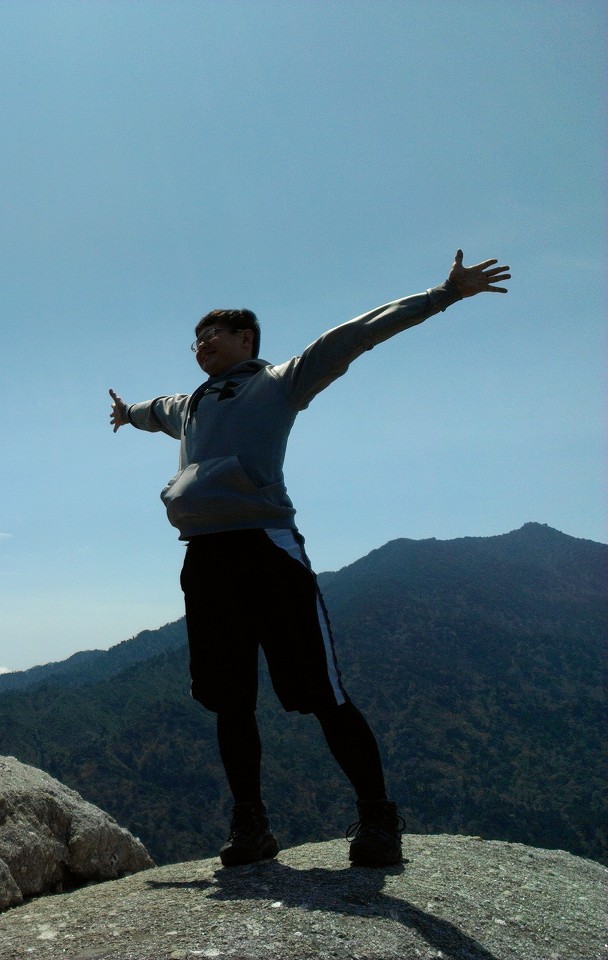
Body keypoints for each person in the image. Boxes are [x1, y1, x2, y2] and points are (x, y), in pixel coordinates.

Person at [108, 250, 511, 868]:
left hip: (267, 553)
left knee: (323, 695)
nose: (201, 344)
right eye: (195, 338)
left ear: (247, 338)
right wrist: (125, 413)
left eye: (213, 333)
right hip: (205, 561)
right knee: (229, 702)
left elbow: (357, 335)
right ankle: (251, 825)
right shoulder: (188, 406)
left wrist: (444, 294)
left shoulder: (280, 382)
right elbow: (148, 411)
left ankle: (378, 817)